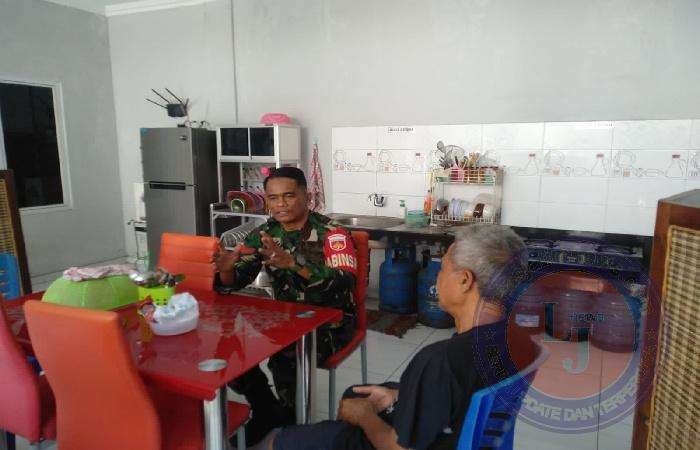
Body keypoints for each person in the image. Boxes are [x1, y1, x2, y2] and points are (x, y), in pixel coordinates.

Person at [257, 224, 539, 450]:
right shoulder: (521, 341)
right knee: (355, 393)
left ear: (465, 280)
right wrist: (401, 394)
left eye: (443, 269)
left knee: (280, 440)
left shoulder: (439, 360)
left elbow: (397, 447)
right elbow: (468, 390)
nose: (438, 278)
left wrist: (365, 417)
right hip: (466, 433)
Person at [213, 167, 358, 444]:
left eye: (289, 196)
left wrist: (294, 264)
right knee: (227, 344)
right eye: (273, 198)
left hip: (332, 323)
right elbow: (235, 281)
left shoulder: (332, 233)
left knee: (285, 354)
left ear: (307, 196)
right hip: (285, 320)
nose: (281, 204)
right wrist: (227, 271)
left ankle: (291, 423)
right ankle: (266, 408)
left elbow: (344, 281)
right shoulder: (265, 232)